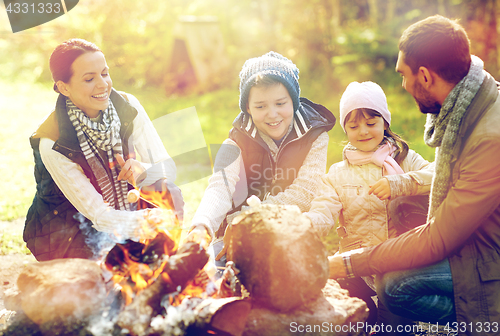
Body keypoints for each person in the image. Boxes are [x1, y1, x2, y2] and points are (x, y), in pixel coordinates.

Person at [328, 15, 500, 332]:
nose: (403, 86)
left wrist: (349, 262)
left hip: (489, 255)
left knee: (394, 285)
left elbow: (438, 238)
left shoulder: (489, 136)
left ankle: (486, 320)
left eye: (404, 76)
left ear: (424, 75)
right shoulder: (475, 109)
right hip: (480, 239)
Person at [24, 38, 182, 261]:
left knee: (170, 191)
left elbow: (168, 168)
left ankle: (159, 260)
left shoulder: (128, 106)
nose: (103, 85)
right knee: (103, 282)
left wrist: (145, 171)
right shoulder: (52, 142)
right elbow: (98, 214)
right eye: (89, 79)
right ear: (63, 87)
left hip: (125, 209)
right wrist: (148, 222)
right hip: (70, 228)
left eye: (105, 73)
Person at [187, 51, 336, 272]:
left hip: (289, 234)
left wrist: (246, 219)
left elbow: (305, 193)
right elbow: (219, 187)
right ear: (247, 107)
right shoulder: (235, 141)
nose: (272, 114)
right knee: (209, 275)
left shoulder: (316, 136)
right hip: (237, 240)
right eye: (260, 106)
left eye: (280, 103)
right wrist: (202, 225)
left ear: (293, 101)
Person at [304, 81, 433, 332]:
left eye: (371, 123)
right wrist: (305, 225)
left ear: (385, 122)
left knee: (394, 328)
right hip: (356, 267)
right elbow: (323, 211)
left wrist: (400, 184)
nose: (363, 131)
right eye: (353, 126)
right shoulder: (338, 174)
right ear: (346, 129)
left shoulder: (404, 160)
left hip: (398, 264)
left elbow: (439, 172)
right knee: (344, 317)